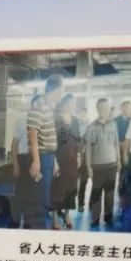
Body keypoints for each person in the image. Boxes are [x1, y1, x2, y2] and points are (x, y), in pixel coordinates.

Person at [27, 76, 63, 229]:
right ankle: (37, 231)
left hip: (48, 157)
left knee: (45, 197)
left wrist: (54, 161)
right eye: (62, 89)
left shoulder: (49, 107)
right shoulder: (39, 105)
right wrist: (36, 161)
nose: (62, 93)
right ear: (55, 89)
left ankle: (39, 227)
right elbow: (32, 132)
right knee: (39, 199)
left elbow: (48, 136)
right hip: (41, 158)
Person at [85, 97, 120, 228]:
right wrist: (88, 166)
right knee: (96, 193)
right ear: (97, 109)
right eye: (101, 108)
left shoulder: (113, 125)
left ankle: (108, 218)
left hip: (111, 165)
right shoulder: (91, 127)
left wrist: (119, 161)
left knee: (110, 194)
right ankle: (95, 219)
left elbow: (116, 143)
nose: (103, 110)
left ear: (108, 109)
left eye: (106, 108)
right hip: (97, 166)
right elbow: (88, 148)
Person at [13, 96, 44, 228]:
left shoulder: (43, 123)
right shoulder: (21, 121)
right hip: (24, 159)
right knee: (21, 193)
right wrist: (16, 165)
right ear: (32, 106)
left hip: (38, 159)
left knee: (34, 194)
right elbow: (14, 144)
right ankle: (15, 221)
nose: (40, 107)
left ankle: (28, 224)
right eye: (38, 104)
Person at [52, 94, 81, 229]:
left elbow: (78, 139)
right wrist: (54, 162)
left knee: (71, 187)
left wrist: (79, 156)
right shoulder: (56, 119)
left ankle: (67, 215)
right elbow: (52, 142)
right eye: (69, 104)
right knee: (57, 188)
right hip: (60, 158)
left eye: (73, 104)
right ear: (63, 104)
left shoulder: (75, 120)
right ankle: (55, 218)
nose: (71, 106)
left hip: (73, 159)